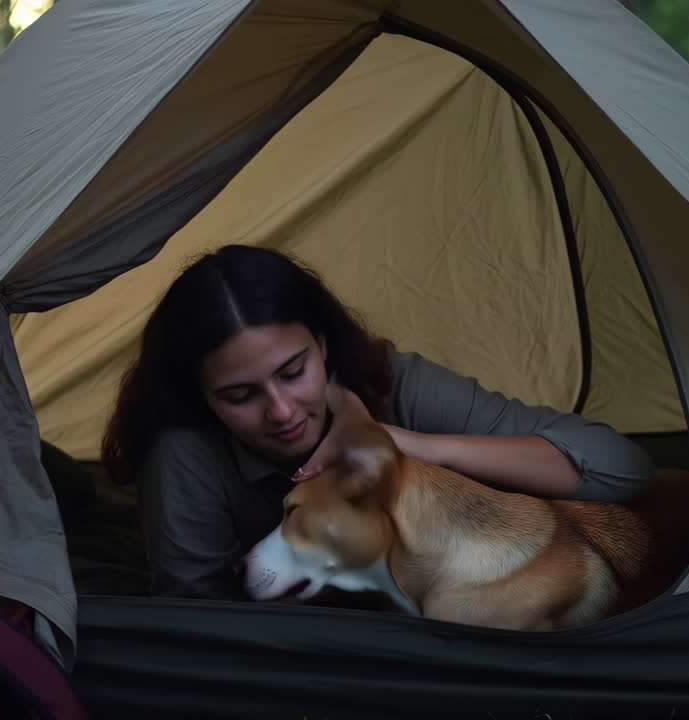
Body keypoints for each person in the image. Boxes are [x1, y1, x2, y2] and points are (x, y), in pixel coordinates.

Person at [101, 244, 654, 601]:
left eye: (294, 372)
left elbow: (623, 469)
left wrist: (414, 446)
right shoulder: (183, 454)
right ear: (201, 398)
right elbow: (197, 626)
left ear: (322, 345)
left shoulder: (392, 383)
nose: (282, 411)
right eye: (239, 394)